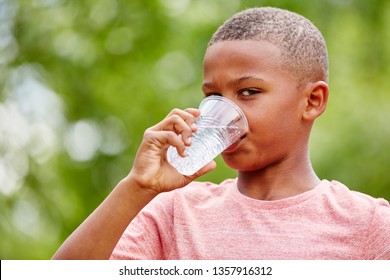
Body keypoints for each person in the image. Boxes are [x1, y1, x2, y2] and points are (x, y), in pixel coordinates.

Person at [52, 7, 390, 260]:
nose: (222, 114)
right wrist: (137, 188)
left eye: (248, 92)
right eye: (213, 96)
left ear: (312, 101)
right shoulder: (174, 214)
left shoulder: (369, 225)